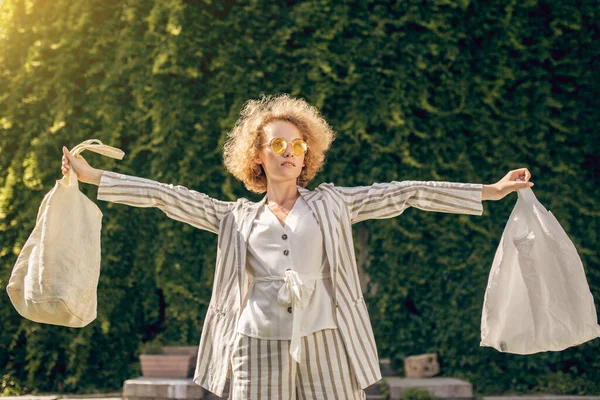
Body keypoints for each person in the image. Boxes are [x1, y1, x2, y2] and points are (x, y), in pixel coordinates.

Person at [61, 93, 534, 400]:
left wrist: (487, 191)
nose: (289, 152)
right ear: (257, 155)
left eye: (298, 145)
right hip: (254, 342)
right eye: (277, 144)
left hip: (325, 335)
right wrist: (95, 177)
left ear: (308, 154)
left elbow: (406, 192)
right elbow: (167, 197)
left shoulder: (333, 204)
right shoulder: (235, 216)